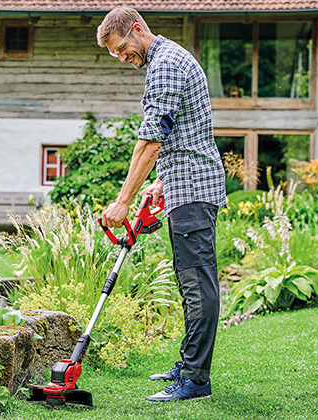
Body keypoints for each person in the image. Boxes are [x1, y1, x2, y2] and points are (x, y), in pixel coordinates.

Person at [96, 7, 227, 402]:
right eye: (115, 54)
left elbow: (151, 141)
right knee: (189, 281)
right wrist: (159, 183)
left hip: (192, 189)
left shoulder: (166, 64)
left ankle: (196, 380)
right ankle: (189, 363)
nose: (122, 58)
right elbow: (183, 132)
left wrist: (123, 201)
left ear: (136, 29)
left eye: (121, 48)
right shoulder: (168, 58)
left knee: (196, 282)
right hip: (183, 184)